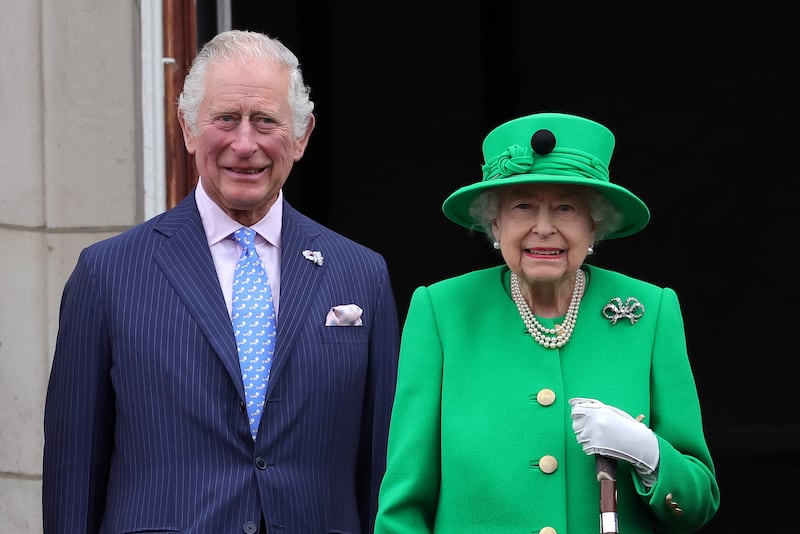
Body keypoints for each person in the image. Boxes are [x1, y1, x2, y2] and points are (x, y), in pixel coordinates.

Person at [42, 29, 400, 533]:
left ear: (302, 136)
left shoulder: (361, 274)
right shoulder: (107, 274)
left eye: (266, 121)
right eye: (226, 119)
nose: (245, 143)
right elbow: (72, 473)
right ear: (188, 129)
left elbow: (383, 468)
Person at [374, 112, 720, 533]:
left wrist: (651, 455)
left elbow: (698, 501)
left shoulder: (651, 311)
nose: (543, 228)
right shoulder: (442, 311)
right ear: (495, 224)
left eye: (565, 208)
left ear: (595, 225)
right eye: (523, 206)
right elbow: (404, 507)